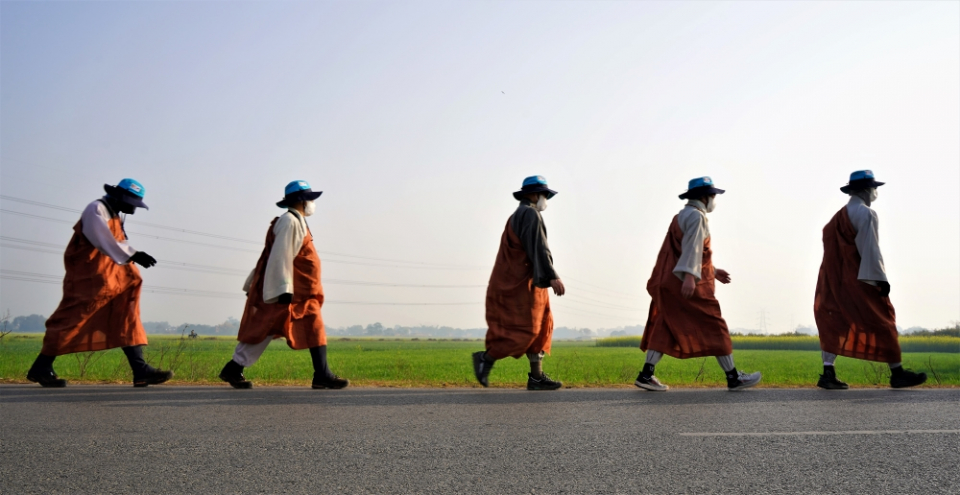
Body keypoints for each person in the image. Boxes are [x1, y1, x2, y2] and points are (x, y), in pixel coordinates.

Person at [26, 179, 171, 388]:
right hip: (90, 278)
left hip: (112, 277)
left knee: (126, 315)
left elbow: (118, 244)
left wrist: (132, 258)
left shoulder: (115, 215)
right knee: (72, 320)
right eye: (131, 203)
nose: (133, 209)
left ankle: (140, 370)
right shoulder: (96, 209)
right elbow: (103, 239)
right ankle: (41, 367)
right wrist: (133, 254)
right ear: (119, 197)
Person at [636, 177, 761, 392]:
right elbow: (693, 248)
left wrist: (713, 270)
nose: (714, 200)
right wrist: (690, 277)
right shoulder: (697, 216)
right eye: (713, 196)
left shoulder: (680, 216)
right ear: (704, 197)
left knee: (666, 324)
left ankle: (646, 374)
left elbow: (683, 252)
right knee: (715, 324)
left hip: (669, 282)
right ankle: (733, 377)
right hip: (686, 282)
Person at [219, 180, 348, 390]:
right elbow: (281, 256)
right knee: (265, 327)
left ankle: (322, 375)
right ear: (301, 201)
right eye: (309, 199)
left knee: (306, 325)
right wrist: (283, 288)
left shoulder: (297, 221)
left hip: (300, 293)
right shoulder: (289, 221)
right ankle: (234, 368)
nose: (312, 203)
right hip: (286, 291)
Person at [813, 171, 926, 389]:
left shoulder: (836, 219)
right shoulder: (866, 214)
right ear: (867, 190)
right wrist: (880, 279)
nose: (876, 192)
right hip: (859, 278)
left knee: (834, 322)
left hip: (831, 280)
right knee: (883, 319)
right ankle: (897, 373)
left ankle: (828, 373)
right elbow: (870, 249)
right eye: (874, 188)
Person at [472, 175, 565, 391]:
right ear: (534, 195)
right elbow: (539, 248)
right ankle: (486, 358)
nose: (545, 200)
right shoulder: (530, 214)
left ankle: (536, 377)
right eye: (544, 195)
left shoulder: (517, 215)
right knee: (525, 330)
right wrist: (552, 275)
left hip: (529, 283)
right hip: (522, 286)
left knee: (540, 327)